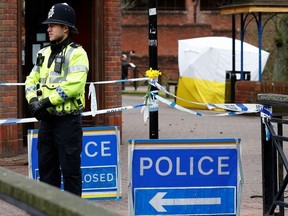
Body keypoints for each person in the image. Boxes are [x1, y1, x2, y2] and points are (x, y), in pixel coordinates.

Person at [25, 3, 89, 197]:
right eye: (48, 25)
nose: (48, 28)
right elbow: (30, 80)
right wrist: (33, 101)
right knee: (46, 174)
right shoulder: (42, 54)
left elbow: (73, 85)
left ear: (66, 28)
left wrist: (46, 102)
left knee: (70, 174)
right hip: (47, 122)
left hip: (67, 123)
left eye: (53, 24)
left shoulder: (77, 53)